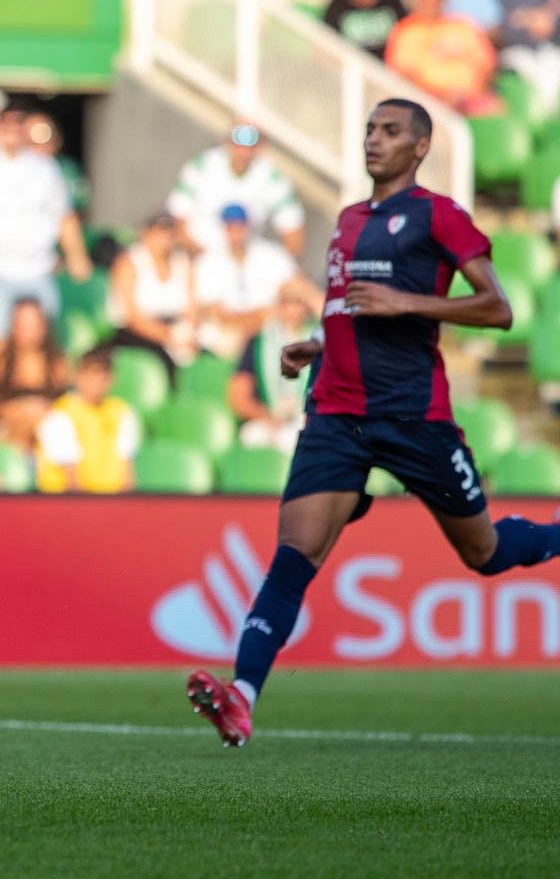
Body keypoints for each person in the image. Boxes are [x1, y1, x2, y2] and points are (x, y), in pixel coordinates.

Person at [186, 97, 560, 749]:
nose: (373, 140)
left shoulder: (438, 214)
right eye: (369, 129)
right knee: (293, 556)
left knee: (486, 553)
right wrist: (318, 344)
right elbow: (351, 312)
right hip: (336, 411)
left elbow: (498, 308)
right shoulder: (349, 219)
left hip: (413, 416)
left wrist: (405, 301)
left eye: (390, 131)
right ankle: (242, 697)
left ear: (420, 148)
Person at [0, 104, 92, 352]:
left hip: (37, 268)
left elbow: (64, 217)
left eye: (17, 126)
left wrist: (76, 254)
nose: (12, 132)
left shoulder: (46, 169)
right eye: (6, 126)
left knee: (42, 344)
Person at [165, 122, 306, 261]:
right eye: (238, 137)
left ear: (262, 145)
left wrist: (266, 271)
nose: (243, 149)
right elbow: (176, 223)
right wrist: (208, 260)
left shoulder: (274, 179)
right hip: (195, 257)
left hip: (244, 266)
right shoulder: (201, 165)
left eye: (251, 140)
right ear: (227, 139)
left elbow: (294, 238)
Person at [195, 202, 305, 359]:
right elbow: (216, 312)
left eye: (239, 226)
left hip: (269, 332)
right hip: (228, 337)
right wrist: (258, 318)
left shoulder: (272, 255)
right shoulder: (208, 262)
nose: (235, 232)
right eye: (230, 227)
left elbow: (295, 289)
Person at [386, 0, 502, 115]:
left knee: (497, 109)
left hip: (470, 100)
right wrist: (440, 97)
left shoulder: (463, 25)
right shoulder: (405, 32)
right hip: (429, 104)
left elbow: (487, 66)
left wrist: (472, 95)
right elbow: (402, 77)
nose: (431, 2)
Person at [229, 280, 318, 454]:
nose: (290, 307)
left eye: (296, 300)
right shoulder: (260, 342)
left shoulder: (320, 342)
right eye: (285, 300)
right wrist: (267, 417)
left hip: (305, 419)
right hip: (268, 418)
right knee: (252, 438)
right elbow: (238, 395)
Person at [34, 347, 138, 495]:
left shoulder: (122, 412)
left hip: (110, 503)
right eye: (92, 373)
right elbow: (72, 482)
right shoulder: (59, 415)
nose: (98, 381)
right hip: (65, 505)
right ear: (78, 377)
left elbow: (128, 475)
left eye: (104, 374)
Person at [108, 213, 198, 376]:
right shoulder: (129, 263)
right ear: (146, 234)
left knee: (203, 359)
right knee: (163, 361)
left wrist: (186, 335)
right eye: (159, 234)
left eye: (168, 234)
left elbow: (192, 309)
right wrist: (168, 337)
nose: (164, 240)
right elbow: (132, 317)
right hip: (136, 333)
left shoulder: (183, 263)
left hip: (175, 330)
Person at [494, 0, 560, 116]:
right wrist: (534, 19)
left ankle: (551, 121)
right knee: (529, 71)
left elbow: (555, 16)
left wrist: (547, 21)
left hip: (546, 48)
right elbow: (500, 27)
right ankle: (536, 120)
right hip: (514, 51)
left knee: (554, 66)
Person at [0, 297, 66, 451]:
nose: (28, 333)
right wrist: (25, 409)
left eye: (33, 326)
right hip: (10, 432)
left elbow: (63, 406)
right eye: (22, 326)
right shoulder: (0, 362)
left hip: (46, 431)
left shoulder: (57, 363)